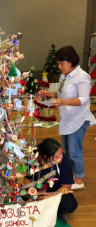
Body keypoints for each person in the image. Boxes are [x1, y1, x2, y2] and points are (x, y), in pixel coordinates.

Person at [37, 46, 96, 190]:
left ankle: (80, 180)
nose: (59, 67)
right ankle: (69, 173)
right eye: (58, 63)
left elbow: (83, 100)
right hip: (67, 119)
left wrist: (62, 102)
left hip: (79, 119)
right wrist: (48, 94)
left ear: (71, 62)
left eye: (61, 63)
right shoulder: (65, 76)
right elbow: (62, 93)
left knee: (75, 151)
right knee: (67, 151)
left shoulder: (82, 77)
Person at [32, 138, 78, 221]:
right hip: (37, 192)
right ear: (46, 157)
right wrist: (34, 194)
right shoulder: (33, 159)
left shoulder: (64, 160)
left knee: (70, 204)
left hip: (56, 192)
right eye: (57, 156)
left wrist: (50, 197)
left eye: (61, 154)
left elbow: (66, 187)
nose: (61, 157)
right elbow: (27, 180)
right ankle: (51, 210)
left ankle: (50, 209)